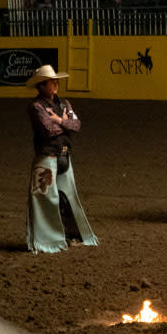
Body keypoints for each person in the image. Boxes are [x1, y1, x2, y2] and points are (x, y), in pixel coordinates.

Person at [25, 65, 100, 252]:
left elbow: (76, 125)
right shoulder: (37, 107)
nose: (56, 83)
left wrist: (59, 120)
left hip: (62, 156)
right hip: (48, 158)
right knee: (45, 199)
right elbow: (48, 130)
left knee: (66, 199)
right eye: (52, 81)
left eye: (55, 80)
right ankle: (49, 240)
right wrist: (65, 122)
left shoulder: (62, 104)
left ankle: (68, 236)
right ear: (42, 86)